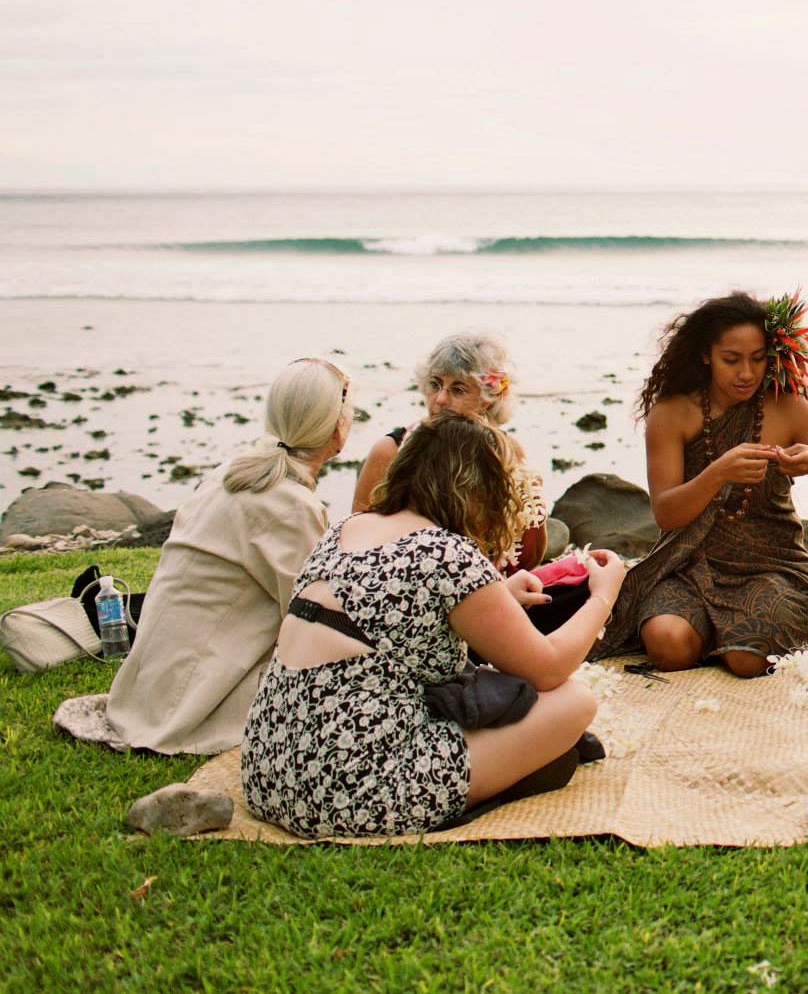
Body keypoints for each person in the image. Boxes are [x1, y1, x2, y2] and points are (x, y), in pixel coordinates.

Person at [241, 411, 624, 838]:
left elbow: (392, 610)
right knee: (575, 703)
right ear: (477, 488)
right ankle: (498, 781)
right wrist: (603, 595)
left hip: (270, 773)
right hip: (351, 792)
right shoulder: (446, 552)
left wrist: (497, 593)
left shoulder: (348, 528)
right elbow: (549, 667)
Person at [594, 292, 808, 676]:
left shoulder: (790, 408)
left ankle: (727, 638)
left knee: (748, 660)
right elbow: (667, 514)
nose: (747, 373)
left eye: (757, 359)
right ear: (706, 355)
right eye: (732, 360)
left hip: (774, 568)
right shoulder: (672, 414)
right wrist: (717, 473)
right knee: (667, 646)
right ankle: (711, 633)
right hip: (689, 566)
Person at [95, 359, 350, 755]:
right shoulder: (289, 504)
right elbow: (314, 618)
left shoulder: (230, 473)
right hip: (192, 696)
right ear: (336, 427)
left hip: (150, 682)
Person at [352, 331, 547, 572]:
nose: (441, 399)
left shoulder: (508, 453)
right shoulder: (390, 450)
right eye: (435, 384)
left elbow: (528, 553)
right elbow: (356, 544)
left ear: (489, 397)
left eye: (458, 389)